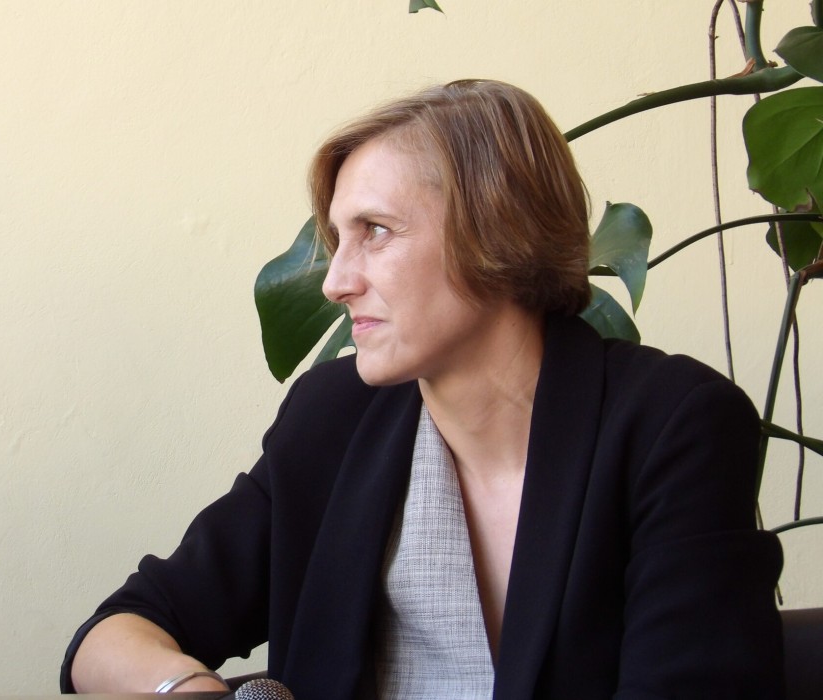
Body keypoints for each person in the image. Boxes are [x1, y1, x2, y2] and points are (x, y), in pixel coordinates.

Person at [61, 79, 784, 698]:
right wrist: (185, 689)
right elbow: (114, 634)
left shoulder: (672, 425)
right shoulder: (332, 418)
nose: (337, 282)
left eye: (375, 231)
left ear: (499, 230)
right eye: (338, 239)